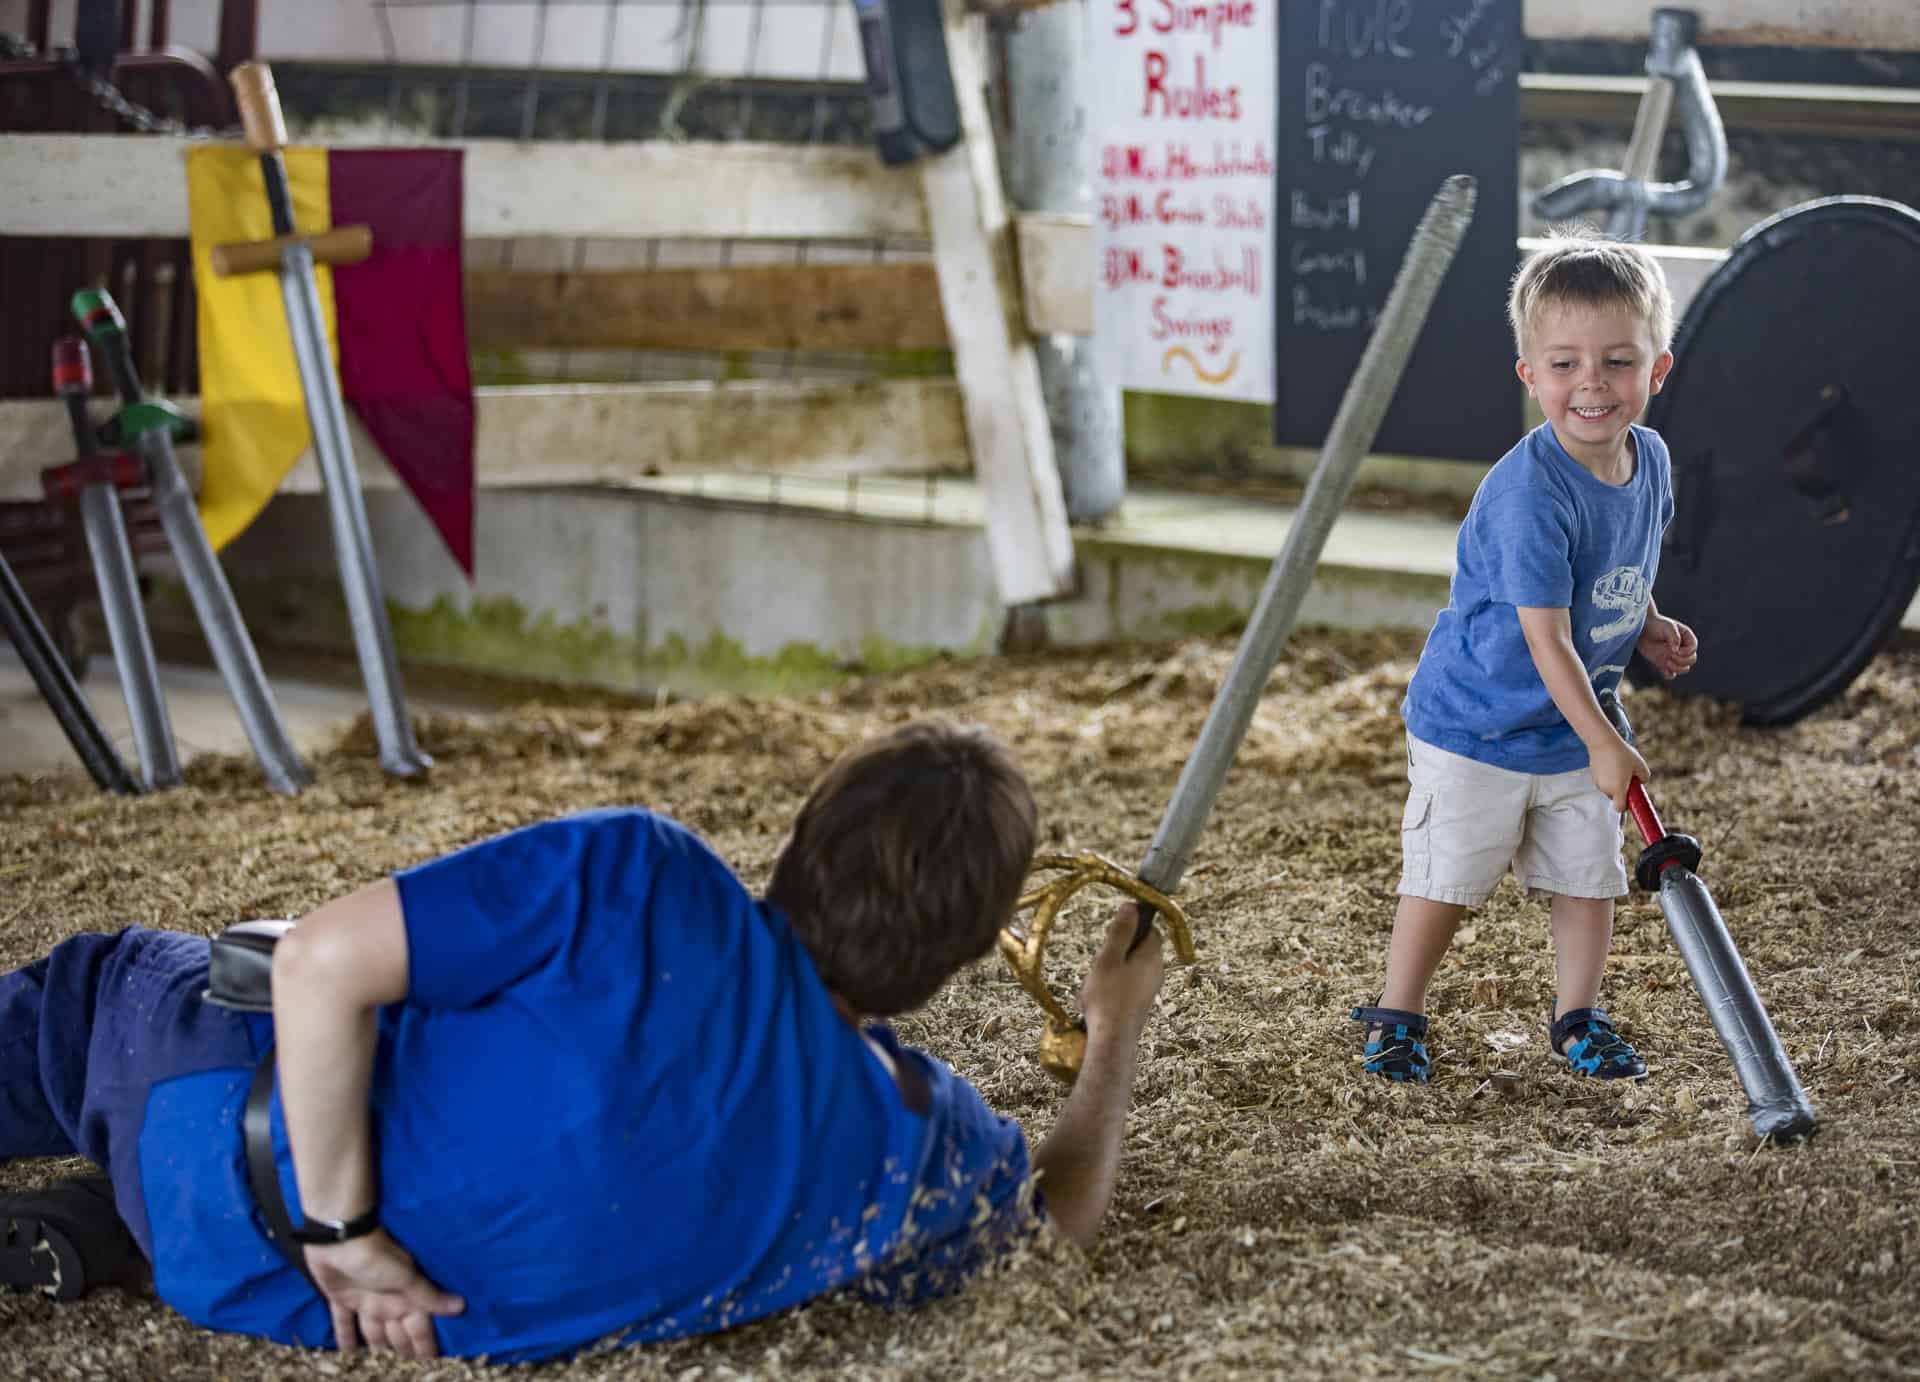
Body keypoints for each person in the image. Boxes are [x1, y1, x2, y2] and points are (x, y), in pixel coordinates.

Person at [1, 720, 1167, 1361]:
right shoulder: (911, 1153)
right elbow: (1054, 1221)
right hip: (243, 1281)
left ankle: (111, 1186)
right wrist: (1113, 1029)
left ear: (803, 832)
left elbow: (316, 964)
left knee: (102, 995)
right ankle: (100, 1224)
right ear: (966, 955)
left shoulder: (646, 877)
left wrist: (345, 1231)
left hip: (193, 1095)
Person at [1349, 228, 1699, 1086]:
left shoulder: (1648, 461)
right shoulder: (1528, 495)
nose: (1592, 385)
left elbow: (1617, 567)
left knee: (1589, 878)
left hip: (1576, 724)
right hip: (1482, 725)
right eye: (1566, 364)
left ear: (1657, 369)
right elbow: (1545, 637)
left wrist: (1645, 621)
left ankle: (1577, 1017)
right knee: (1449, 877)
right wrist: (1606, 742)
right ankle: (1398, 1013)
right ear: (1531, 375)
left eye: (1618, 362)